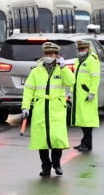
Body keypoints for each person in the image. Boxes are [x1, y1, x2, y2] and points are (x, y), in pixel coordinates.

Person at [21, 42, 75, 177]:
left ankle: (57, 164)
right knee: (42, 140)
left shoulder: (61, 70)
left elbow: (71, 82)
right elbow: (28, 90)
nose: (49, 56)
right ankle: (46, 166)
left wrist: (64, 68)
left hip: (56, 109)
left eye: (51, 54)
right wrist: (25, 107)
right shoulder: (36, 71)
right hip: (41, 108)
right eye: (46, 54)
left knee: (57, 138)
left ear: (57, 55)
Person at [71, 40, 100, 152]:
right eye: (79, 49)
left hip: (87, 95)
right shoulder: (79, 60)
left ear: (88, 49)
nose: (81, 51)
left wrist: (92, 92)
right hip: (79, 95)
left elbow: (95, 78)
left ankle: (87, 144)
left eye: (83, 49)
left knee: (87, 121)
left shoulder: (92, 60)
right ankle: (85, 142)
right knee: (83, 120)